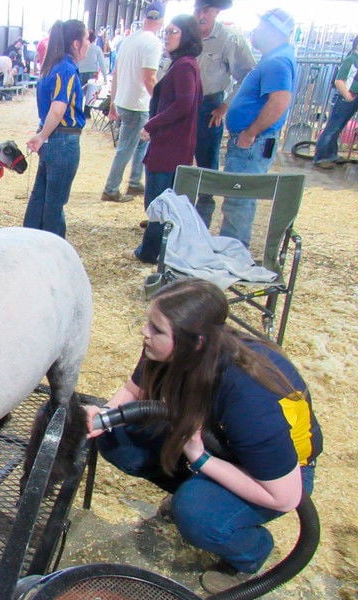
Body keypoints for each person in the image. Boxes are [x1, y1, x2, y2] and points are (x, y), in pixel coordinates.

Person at [85, 278, 321, 594]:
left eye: (156, 329)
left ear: (194, 342)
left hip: (278, 475)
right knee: (118, 438)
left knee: (197, 515)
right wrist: (103, 418)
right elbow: (133, 389)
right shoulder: (173, 350)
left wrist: (200, 458)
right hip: (214, 444)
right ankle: (198, 493)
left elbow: (285, 496)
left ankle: (248, 553)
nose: (145, 332)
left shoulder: (249, 394)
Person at [127, 14, 203, 264]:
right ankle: (161, 250)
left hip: (170, 146)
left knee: (158, 201)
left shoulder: (184, 66)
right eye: (167, 31)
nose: (168, 36)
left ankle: (151, 251)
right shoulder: (185, 64)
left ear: (187, 36)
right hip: (173, 144)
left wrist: (152, 123)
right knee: (164, 200)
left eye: (174, 32)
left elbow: (184, 103)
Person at [221, 8, 297, 247]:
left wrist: (250, 133)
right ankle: (233, 248)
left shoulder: (277, 62)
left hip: (252, 143)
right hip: (253, 141)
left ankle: (234, 251)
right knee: (239, 196)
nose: (256, 31)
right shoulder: (276, 58)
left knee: (239, 197)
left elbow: (280, 101)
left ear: (274, 31)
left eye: (262, 26)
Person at [22, 19, 89, 238]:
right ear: (76, 43)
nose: (89, 43)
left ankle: (28, 241)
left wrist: (42, 134)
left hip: (51, 138)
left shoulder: (51, 66)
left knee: (40, 196)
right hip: (63, 140)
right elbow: (58, 109)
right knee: (55, 202)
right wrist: (42, 136)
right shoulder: (67, 68)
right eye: (87, 38)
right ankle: (53, 250)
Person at [192, 0, 256, 227]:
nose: (200, 14)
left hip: (209, 105)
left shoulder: (230, 38)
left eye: (206, 10)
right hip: (184, 104)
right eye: (198, 9)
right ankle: (172, 217)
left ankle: (202, 221)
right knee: (176, 163)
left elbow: (248, 75)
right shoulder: (187, 32)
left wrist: (225, 106)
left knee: (206, 166)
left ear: (216, 12)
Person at [100, 1, 164, 203]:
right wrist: (160, 103)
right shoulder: (153, 43)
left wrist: (112, 101)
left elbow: (116, 72)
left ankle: (135, 182)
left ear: (145, 17)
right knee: (127, 148)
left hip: (123, 100)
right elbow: (149, 78)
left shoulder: (128, 40)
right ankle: (111, 189)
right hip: (138, 103)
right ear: (161, 20)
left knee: (139, 145)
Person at [313, 35, 358, 169]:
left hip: (352, 97)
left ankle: (331, 155)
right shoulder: (351, 59)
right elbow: (339, 80)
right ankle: (321, 158)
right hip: (345, 98)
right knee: (333, 128)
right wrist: (348, 96)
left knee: (338, 127)